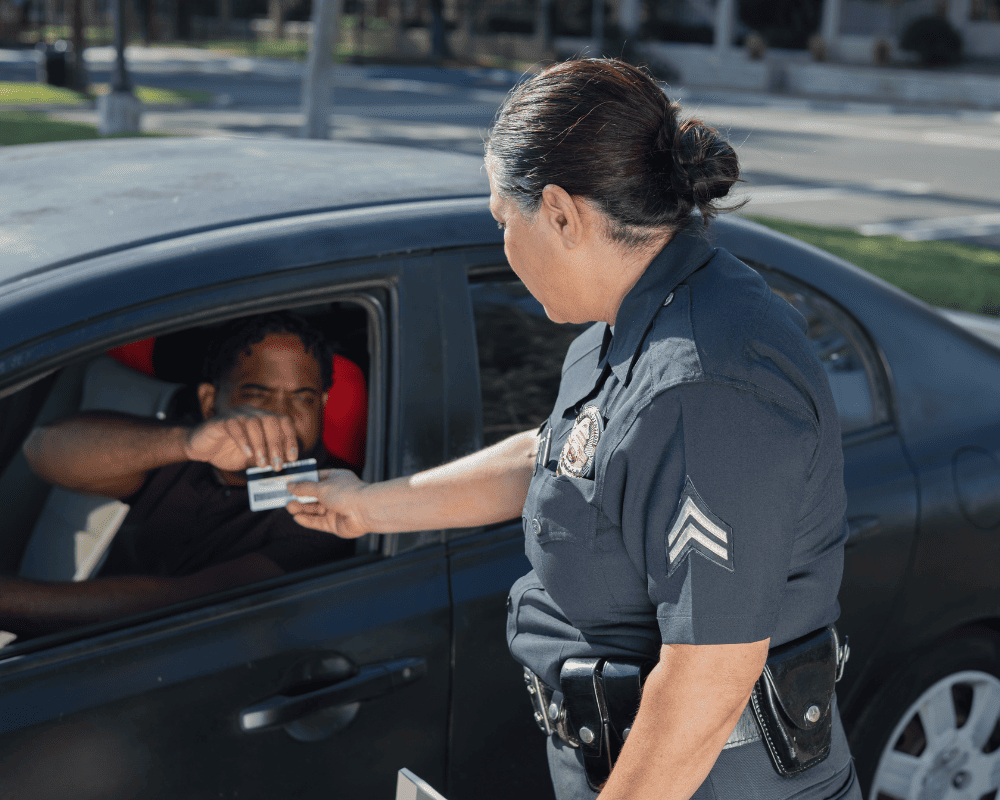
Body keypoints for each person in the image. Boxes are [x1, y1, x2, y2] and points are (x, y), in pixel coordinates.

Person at [286, 59, 861, 800]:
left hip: (708, 778)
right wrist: (366, 505)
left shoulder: (703, 385)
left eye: (503, 220)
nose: (503, 245)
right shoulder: (630, 319)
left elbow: (708, 674)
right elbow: (563, 457)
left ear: (560, 212)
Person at [4, 312, 353, 640]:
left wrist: (8, 602)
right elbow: (43, 451)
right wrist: (184, 443)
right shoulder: (196, 447)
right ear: (209, 402)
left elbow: (180, 603)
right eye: (256, 395)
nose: (280, 416)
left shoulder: (335, 496)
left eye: (302, 399)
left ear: (322, 403)